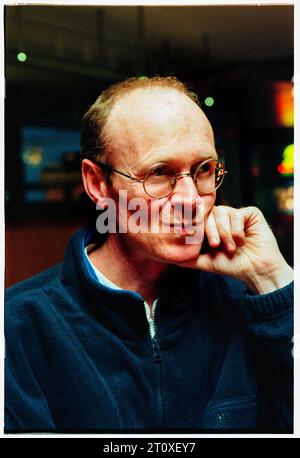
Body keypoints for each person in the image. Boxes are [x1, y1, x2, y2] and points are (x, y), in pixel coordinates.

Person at [5, 76, 293, 433]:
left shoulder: (247, 304)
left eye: (204, 169)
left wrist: (274, 281)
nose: (190, 200)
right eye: (160, 173)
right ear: (98, 184)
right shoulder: (18, 328)